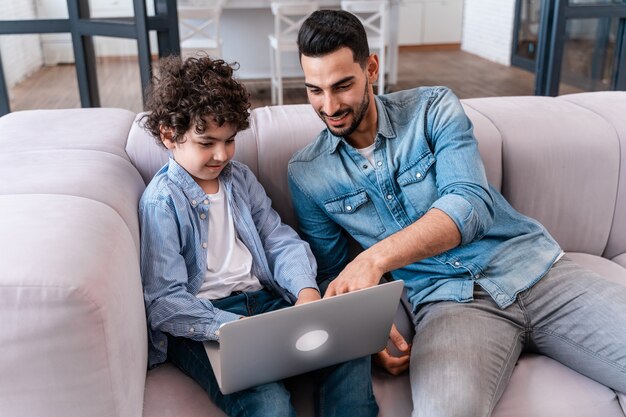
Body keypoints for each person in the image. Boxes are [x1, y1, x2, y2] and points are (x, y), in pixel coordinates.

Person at [288, 9, 626, 417]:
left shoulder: (433, 108)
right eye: (314, 91)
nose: (329, 105)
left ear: (371, 68)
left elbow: (469, 205)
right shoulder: (308, 174)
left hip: (535, 270)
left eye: (342, 86)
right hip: (449, 305)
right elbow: (334, 272)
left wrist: (375, 258)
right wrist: (366, 334)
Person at [139, 55, 378, 417]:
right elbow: (165, 301)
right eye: (207, 143)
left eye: (230, 140)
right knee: (266, 402)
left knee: (347, 352)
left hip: (266, 303)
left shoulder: (239, 179)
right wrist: (234, 329)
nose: (222, 154)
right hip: (206, 325)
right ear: (169, 136)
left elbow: (278, 239)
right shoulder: (162, 202)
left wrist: (306, 292)